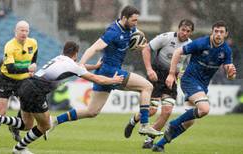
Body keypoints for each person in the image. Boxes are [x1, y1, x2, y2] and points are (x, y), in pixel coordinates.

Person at [0, 41, 124, 154]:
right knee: (45, 125)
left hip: (25, 85)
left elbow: (79, 66)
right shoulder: (73, 65)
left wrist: (94, 65)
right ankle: (19, 149)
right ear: (76, 53)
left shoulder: (59, 58)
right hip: (36, 91)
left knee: (27, 125)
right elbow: (96, 79)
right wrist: (113, 80)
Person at [46, 5, 163, 138]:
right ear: (124, 18)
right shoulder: (113, 31)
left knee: (92, 111)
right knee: (147, 86)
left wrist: (139, 46)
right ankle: (144, 125)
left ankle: (55, 120)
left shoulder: (131, 29)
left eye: (137, 20)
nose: (136, 23)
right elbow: (94, 48)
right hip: (110, 71)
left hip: (106, 71)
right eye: (134, 20)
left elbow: (135, 41)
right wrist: (81, 64)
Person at [152, 20, 236, 152]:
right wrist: (171, 74)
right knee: (204, 109)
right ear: (212, 32)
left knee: (189, 122)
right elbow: (177, 52)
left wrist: (231, 74)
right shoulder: (201, 43)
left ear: (226, 34)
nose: (218, 34)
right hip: (189, 80)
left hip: (202, 85)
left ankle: (159, 144)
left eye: (221, 32)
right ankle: (173, 123)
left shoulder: (226, 50)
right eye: (216, 31)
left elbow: (229, 73)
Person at [124, 19, 194, 149]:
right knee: (151, 110)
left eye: (188, 31)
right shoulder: (166, 37)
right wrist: (149, 70)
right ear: (178, 29)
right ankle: (133, 121)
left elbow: (188, 64)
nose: (184, 33)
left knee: (167, 112)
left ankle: (149, 140)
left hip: (171, 78)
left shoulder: (191, 45)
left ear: (191, 33)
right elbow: (146, 49)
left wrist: (181, 73)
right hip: (156, 75)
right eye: (183, 30)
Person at [0, 20, 38, 147]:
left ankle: (14, 128)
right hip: (7, 80)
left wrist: (32, 67)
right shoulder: (9, 46)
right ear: (15, 31)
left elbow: (34, 55)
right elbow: (10, 69)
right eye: (21, 30)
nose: (24, 33)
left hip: (23, 80)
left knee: (26, 106)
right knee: (1, 112)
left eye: (26, 30)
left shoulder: (33, 43)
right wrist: (28, 69)